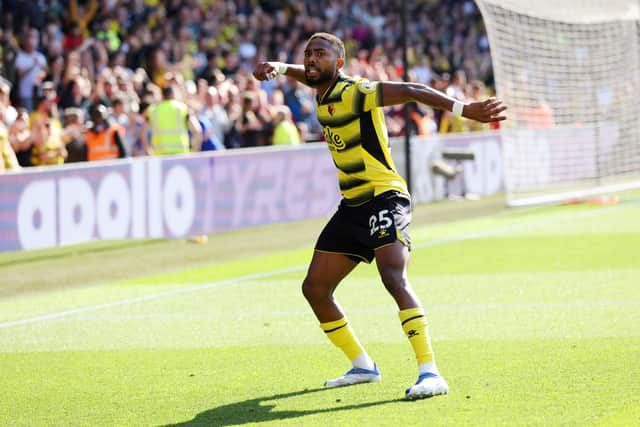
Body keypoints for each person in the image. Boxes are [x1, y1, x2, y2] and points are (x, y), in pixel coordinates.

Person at [253, 32, 506, 400]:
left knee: (392, 275)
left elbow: (413, 89)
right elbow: (304, 74)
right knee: (315, 288)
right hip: (352, 206)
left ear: (339, 64)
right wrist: (279, 67)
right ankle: (362, 365)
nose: (311, 60)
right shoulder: (319, 88)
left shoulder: (354, 90)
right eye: (307, 54)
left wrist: (464, 109)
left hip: (384, 196)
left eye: (319, 54)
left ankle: (430, 372)